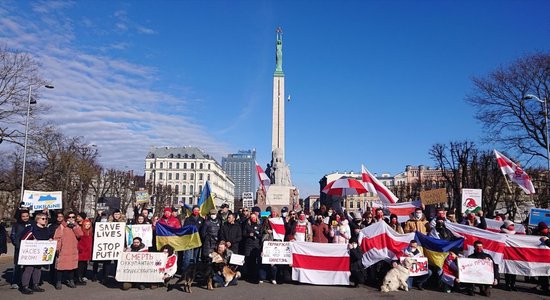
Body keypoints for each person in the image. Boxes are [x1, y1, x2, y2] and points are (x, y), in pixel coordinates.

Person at [19, 212, 51, 294]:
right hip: (31, 253)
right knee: (29, 269)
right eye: (43, 219)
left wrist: (50, 240)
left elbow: (48, 238)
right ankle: (25, 286)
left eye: (46, 219)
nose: (45, 220)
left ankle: (35, 285)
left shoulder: (47, 229)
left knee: (38, 269)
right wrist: (32, 242)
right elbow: (24, 240)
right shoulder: (31, 229)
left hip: (40, 253)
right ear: (37, 220)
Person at [54, 211, 84, 290]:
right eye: (69, 217)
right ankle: (58, 281)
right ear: (66, 218)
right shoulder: (62, 226)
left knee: (72, 267)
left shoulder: (76, 226)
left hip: (73, 249)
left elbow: (80, 234)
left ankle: (71, 281)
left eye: (73, 217)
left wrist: (75, 226)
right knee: (60, 267)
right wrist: (57, 248)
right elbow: (57, 238)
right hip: (63, 249)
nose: (71, 219)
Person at [10, 208, 32, 289]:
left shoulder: (31, 224)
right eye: (23, 216)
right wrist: (17, 245)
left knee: (28, 266)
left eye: (27, 216)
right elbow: (12, 236)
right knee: (17, 266)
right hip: (19, 248)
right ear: (21, 216)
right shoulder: (16, 225)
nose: (25, 217)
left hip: (30, 249)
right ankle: (15, 281)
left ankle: (26, 281)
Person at [182, 205, 203, 273]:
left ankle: (195, 271)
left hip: (198, 240)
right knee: (187, 257)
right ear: (192, 211)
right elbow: (184, 229)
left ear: (199, 211)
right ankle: (185, 271)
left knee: (196, 258)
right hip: (189, 240)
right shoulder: (188, 219)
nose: (196, 211)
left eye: (197, 210)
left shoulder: (202, 220)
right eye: (195, 210)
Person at [243, 213, 262, 283]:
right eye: (251, 217)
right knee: (249, 260)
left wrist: (256, 234)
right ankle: (249, 276)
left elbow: (261, 235)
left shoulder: (259, 225)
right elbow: (244, 234)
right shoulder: (247, 225)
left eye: (254, 217)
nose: (253, 218)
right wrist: (249, 234)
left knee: (256, 261)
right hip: (248, 245)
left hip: (256, 245)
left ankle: (256, 276)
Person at [499, 220, 517, 291]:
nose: (512, 227)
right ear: (507, 226)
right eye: (511, 225)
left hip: (513, 253)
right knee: (507, 269)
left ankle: (513, 284)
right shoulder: (502, 233)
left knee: (514, 270)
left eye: (513, 225)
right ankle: (508, 284)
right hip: (505, 253)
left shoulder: (515, 234)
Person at [76, 219, 93, 285]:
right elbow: (79, 241)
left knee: (84, 265)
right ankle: (78, 278)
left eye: (89, 225)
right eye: (86, 225)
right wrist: (81, 248)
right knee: (80, 265)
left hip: (87, 251)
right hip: (82, 251)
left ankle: (81, 277)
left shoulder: (90, 232)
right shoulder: (81, 231)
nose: (87, 226)